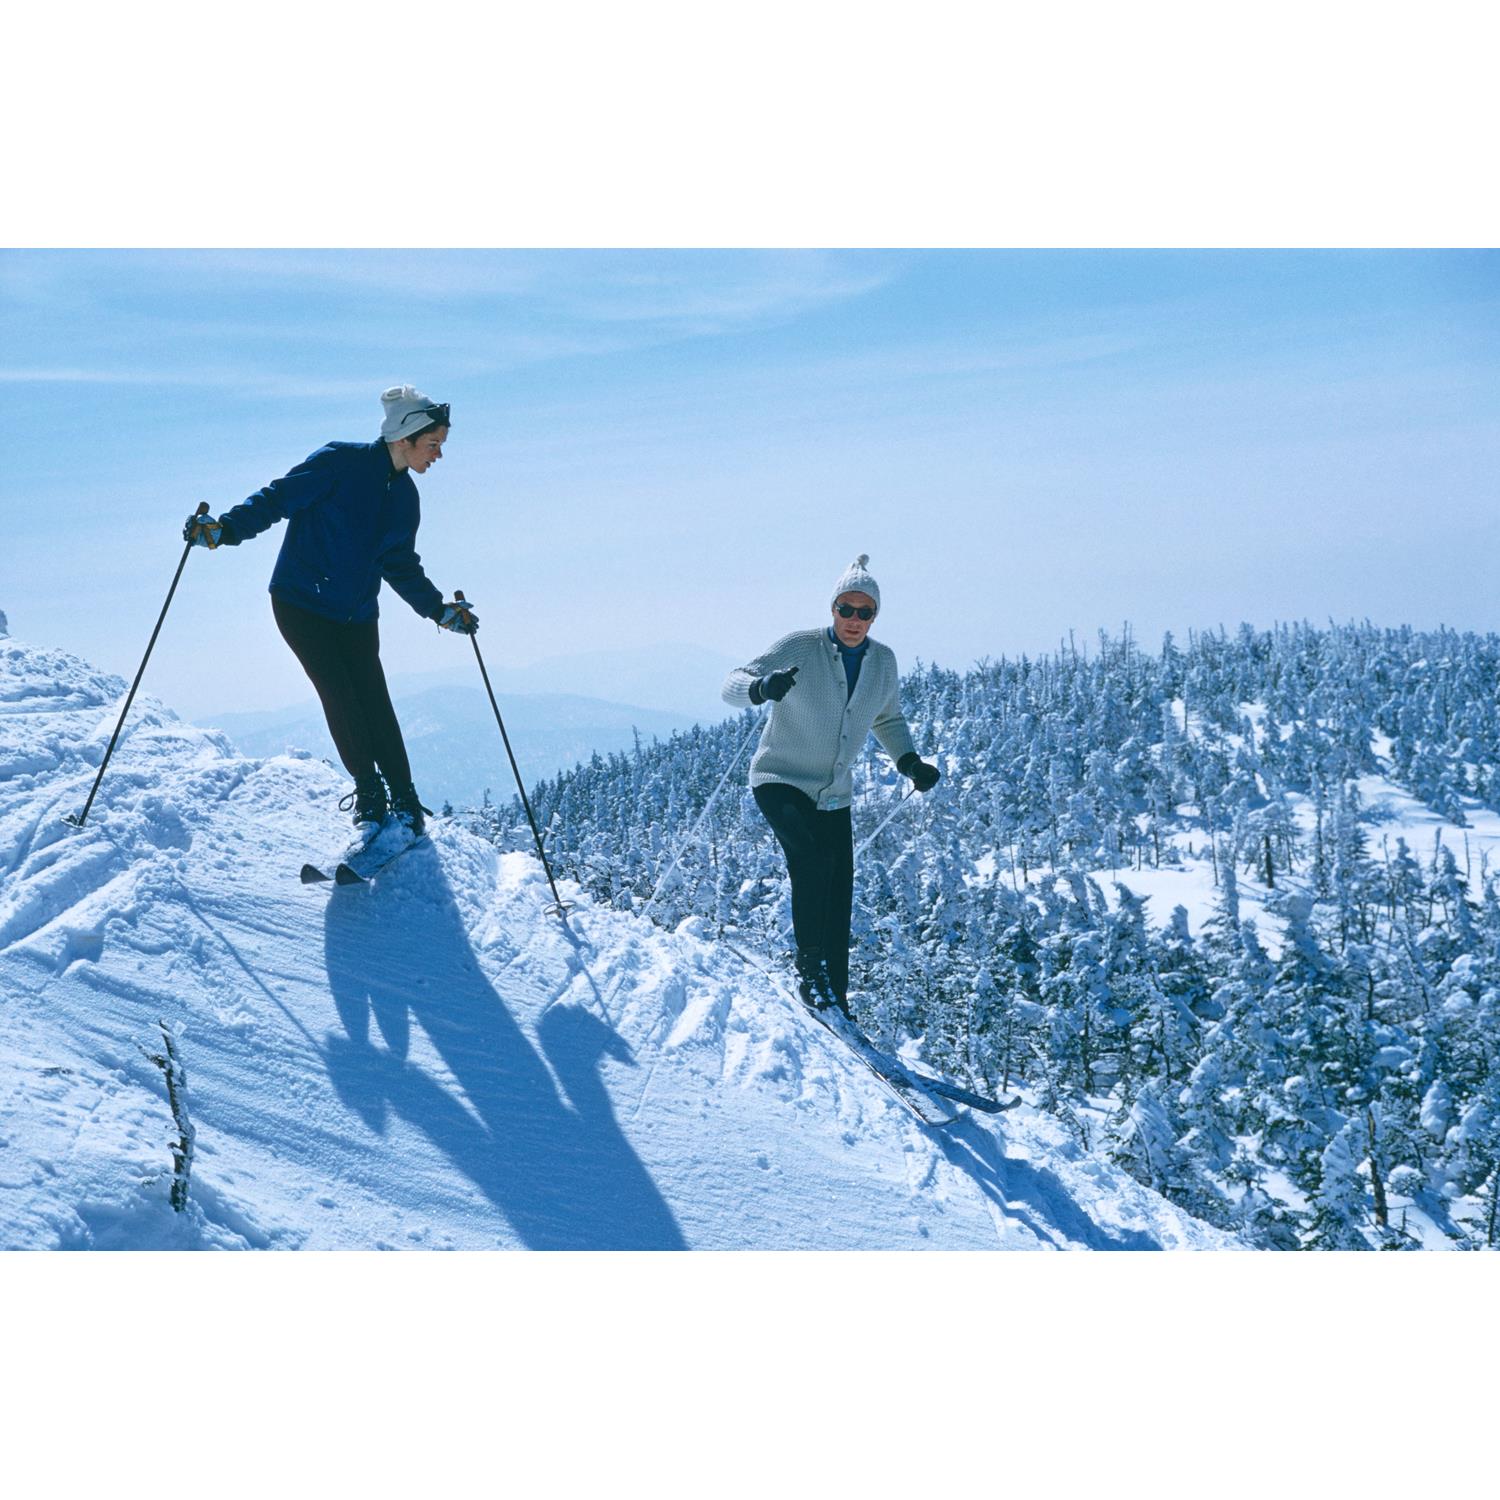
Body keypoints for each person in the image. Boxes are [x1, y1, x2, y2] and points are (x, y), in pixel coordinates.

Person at [183, 384, 478, 842]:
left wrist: (438, 611)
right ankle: (370, 796)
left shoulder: (405, 498)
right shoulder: (339, 461)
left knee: (374, 699)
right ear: (405, 437)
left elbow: (399, 563)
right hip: (302, 604)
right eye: (433, 444)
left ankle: (403, 797)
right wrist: (225, 530)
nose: (438, 454)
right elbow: (278, 498)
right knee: (340, 694)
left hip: (357, 613)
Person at [721, 555, 940, 1017]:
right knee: (812, 859)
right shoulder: (801, 646)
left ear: (874, 616)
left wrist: (908, 761)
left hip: (833, 792)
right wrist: (761, 687)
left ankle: (834, 994)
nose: (854, 620)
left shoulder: (882, 661)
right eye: (847, 609)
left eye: (865, 612)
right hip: (779, 778)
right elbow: (732, 684)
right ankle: (810, 974)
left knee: (840, 886)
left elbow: (887, 716)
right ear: (833, 608)